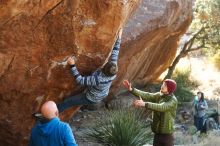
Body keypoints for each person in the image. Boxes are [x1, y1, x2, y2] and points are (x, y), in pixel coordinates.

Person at [57, 28, 123, 113]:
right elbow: (115, 52)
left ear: (103, 69)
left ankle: (48, 116)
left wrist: (72, 65)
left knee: (68, 101)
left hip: (91, 97)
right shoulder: (113, 69)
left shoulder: (98, 79)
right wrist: (119, 37)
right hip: (100, 92)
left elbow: (80, 80)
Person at [123, 79, 178, 146]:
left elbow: (161, 107)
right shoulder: (159, 95)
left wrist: (144, 104)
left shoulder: (173, 100)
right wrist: (132, 89)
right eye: (163, 84)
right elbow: (147, 95)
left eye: (165, 85)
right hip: (157, 132)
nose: (162, 86)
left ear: (170, 89)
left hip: (167, 134)